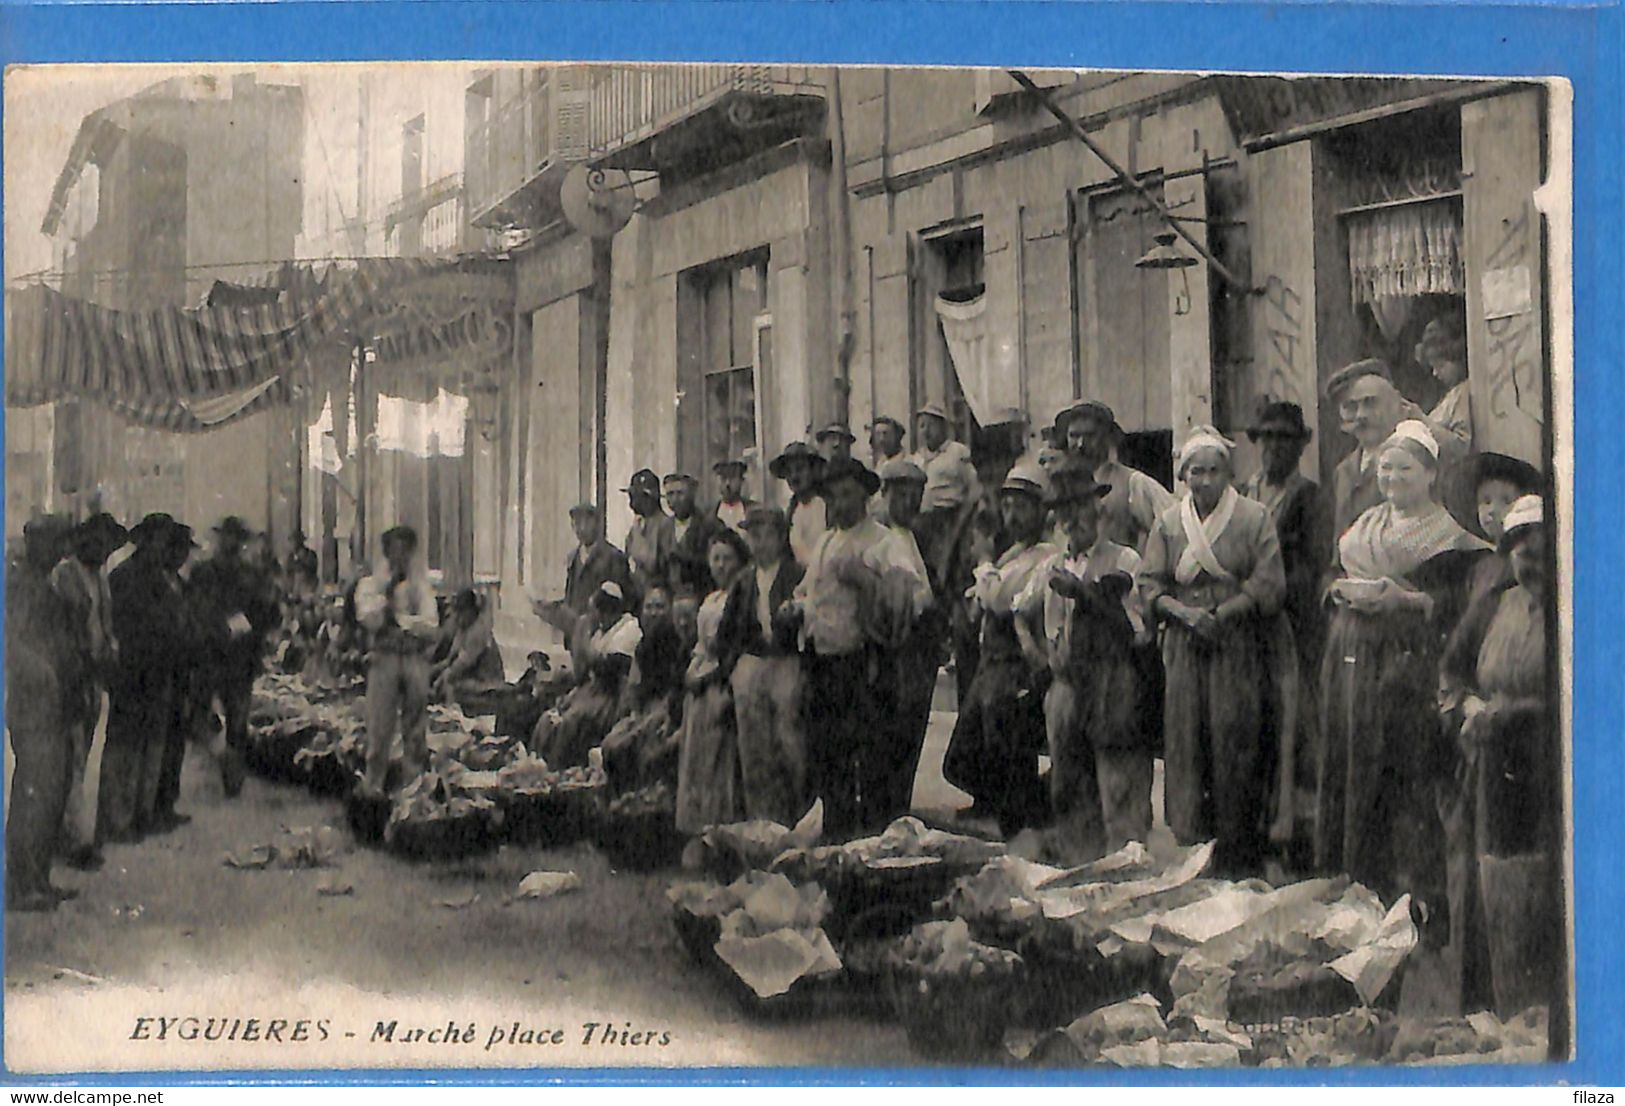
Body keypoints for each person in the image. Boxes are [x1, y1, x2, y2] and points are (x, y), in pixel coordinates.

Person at [1315, 420, 1490, 921]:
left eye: (1405, 468)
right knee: (1354, 759)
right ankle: (1361, 882)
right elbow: (1332, 572)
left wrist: (1406, 599)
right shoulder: (1364, 526)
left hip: (1409, 664)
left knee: (1402, 768)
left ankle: (1414, 894)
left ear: (1431, 475)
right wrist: (1337, 592)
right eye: (1386, 467)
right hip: (1352, 659)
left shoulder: (1452, 537)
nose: (1392, 477)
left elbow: (1459, 606)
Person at [1140, 428, 1286, 876]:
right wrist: (1182, 614)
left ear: (1229, 473)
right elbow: (1149, 583)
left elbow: (1267, 581)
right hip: (1185, 644)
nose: (1204, 480)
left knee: (1234, 736)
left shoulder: (1253, 517)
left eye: (1213, 471)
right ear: (1182, 475)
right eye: (1195, 471)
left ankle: (1239, 851)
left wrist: (1223, 613)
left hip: (1234, 641)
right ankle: (1192, 846)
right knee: (1185, 739)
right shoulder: (1168, 523)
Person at [1438, 494, 1556, 1016]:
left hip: (1549, 768)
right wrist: (1466, 705)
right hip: (1488, 766)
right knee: (1481, 883)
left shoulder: (1579, 609)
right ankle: (1488, 1007)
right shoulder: (1492, 605)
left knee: (1540, 884)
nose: (1532, 566)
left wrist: (1514, 712)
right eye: (1521, 554)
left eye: (1543, 554)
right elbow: (1451, 671)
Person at [788, 458, 932, 837]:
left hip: (863, 664)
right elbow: (809, 592)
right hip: (823, 660)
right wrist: (796, 607)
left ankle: (871, 841)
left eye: (848, 494)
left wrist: (868, 581)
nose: (840, 503)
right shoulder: (825, 541)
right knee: (827, 754)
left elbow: (916, 597)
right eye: (833, 496)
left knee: (868, 757)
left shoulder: (884, 540)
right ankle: (837, 836)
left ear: (866, 496)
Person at [1019, 470, 1148, 862]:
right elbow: (1018, 611)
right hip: (1064, 686)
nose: (1072, 520)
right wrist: (1035, 652)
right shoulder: (1050, 566)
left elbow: (1137, 630)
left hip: (1111, 682)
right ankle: (1081, 870)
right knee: (1069, 785)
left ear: (1098, 509)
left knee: (1118, 785)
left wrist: (1085, 596)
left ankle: (1128, 872)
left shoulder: (1124, 560)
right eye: (1063, 513)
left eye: (1079, 509)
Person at [943, 461, 1061, 837]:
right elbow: (978, 602)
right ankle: (1008, 807)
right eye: (1007, 506)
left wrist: (982, 563)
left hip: (1015, 664)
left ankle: (1024, 820)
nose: (1012, 515)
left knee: (1008, 747)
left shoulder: (1046, 556)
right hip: (990, 662)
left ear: (1041, 511)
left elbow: (997, 600)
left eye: (1022, 506)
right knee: (964, 755)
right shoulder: (1013, 554)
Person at [1242, 401, 1328, 856]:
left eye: (1284, 440)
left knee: (1290, 722)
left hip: (1288, 627)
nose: (1274, 448)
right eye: (1267, 438)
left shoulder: (1309, 498)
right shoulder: (1243, 492)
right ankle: (1248, 829)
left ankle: (1290, 833)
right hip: (1244, 627)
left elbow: (1314, 568)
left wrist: (1269, 585)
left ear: (1299, 447)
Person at [6, 515, 84, 910]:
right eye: (54, 542)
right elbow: (12, 645)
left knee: (51, 793)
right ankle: (21, 885)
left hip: (55, 705)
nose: (59, 550)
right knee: (35, 794)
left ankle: (37, 877)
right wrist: (46, 673)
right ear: (36, 545)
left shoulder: (45, 586)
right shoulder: (21, 588)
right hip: (34, 705)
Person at [717, 506, 807, 825]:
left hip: (786, 662)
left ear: (781, 537)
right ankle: (762, 819)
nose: (760, 543)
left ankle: (797, 815)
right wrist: (732, 668)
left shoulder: (797, 574)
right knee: (753, 744)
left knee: (788, 739)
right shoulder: (743, 580)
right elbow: (726, 631)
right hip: (752, 663)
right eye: (753, 536)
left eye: (767, 535)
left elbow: (809, 619)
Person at [99, 514, 186, 843]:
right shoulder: (123, 578)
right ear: (145, 541)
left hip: (159, 672)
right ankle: (117, 821)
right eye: (159, 541)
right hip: (133, 673)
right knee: (124, 748)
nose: (163, 548)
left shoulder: (160, 579)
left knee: (152, 749)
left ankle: (142, 814)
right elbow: (120, 627)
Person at [50, 511, 129, 868]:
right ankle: (73, 840)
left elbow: (105, 623)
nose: (101, 549)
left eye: (106, 544)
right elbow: (67, 632)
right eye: (96, 541)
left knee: (83, 757)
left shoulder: (100, 577)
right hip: (72, 676)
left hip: (95, 675)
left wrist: (110, 649)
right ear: (83, 540)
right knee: (72, 757)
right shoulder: (65, 575)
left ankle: (77, 833)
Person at [189, 516, 280, 798]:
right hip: (208, 654)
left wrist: (248, 626)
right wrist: (213, 628)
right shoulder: (202, 573)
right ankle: (221, 756)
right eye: (226, 537)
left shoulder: (252, 576)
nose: (230, 543)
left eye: (235, 538)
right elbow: (193, 609)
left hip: (240, 657)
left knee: (238, 721)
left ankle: (233, 776)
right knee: (198, 715)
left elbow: (270, 613)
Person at [873, 458, 940, 823]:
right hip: (893, 646)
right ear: (885, 494)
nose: (910, 502)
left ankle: (901, 805)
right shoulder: (879, 537)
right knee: (893, 728)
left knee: (913, 724)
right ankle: (887, 810)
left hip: (918, 645)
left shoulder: (912, 534)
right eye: (901, 494)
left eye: (916, 495)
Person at [674, 529, 752, 833]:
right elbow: (700, 645)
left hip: (721, 680)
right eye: (715, 558)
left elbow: (734, 645)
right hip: (700, 677)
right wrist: (692, 671)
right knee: (696, 755)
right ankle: (696, 828)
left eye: (727, 558)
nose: (720, 565)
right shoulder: (711, 598)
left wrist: (708, 676)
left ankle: (719, 829)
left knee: (718, 757)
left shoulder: (740, 596)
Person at [354, 526, 440, 797]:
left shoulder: (421, 588)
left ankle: (412, 787)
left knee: (415, 726)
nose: (401, 556)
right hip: (385, 658)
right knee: (380, 726)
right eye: (395, 550)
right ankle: (374, 787)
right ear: (387, 552)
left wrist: (405, 623)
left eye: (406, 550)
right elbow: (370, 619)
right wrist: (389, 599)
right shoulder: (370, 585)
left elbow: (431, 625)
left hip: (414, 658)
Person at [536, 581, 642, 770]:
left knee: (570, 722)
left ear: (605, 612)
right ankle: (537, 767)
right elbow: (584, 672)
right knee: (549, 718)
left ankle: (557, 770)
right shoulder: (602, 631)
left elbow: (607, 669)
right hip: (593, 691)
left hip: (612, 696)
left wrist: (583, 642)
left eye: (594, 611)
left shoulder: (629, 630)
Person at [1053, 399, 1175, 553]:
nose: (1081, 444)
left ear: (1107, 437)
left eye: (1090, 435)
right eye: (1074, 436)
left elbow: (1173, 524)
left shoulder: (1133, 482)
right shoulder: (1062, 486)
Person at [602, 586, 687, 792]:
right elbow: (634, 686)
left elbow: (675, 691)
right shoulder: (642, 647)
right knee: (611, 743)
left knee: (635, 746)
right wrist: (633, 714)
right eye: (649, 607)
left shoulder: (679, 645)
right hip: (645, 709)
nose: (654, 612)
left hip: (668, 710)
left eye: (660, 607)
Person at [1324, 359, 1405, 550]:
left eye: (1370, 403)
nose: (1360, 415)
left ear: (1396, 404)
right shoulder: (1343, 471)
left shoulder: (1413, 462)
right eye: (1351, 406)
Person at [1408, 312, 1474, 457]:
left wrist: (1421, 419)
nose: (1435, 373)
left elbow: (1461, 446)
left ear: (1458, 359)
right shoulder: (1451, 394)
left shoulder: (1463, 393)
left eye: (1441, 366)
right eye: (1433, 368)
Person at [430, 589, 505, 704]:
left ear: (469, 611)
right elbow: (450, 660)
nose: (457, 618)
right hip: (473, 677)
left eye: (460, 613)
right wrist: (429, 671)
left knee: (452, 685)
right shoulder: (463, 628)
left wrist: (440, 679)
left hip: (488, 682)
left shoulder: (478, 630)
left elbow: (462, 664)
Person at [770, 440, 828, 567]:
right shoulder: (791, 513)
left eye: (800, 469)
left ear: (813, 470)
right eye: (789, 472)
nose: (794, 477)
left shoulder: (828, 505)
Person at [623, 469, 676, 608]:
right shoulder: (637, 525)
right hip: (637, 597)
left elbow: (656, 564)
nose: (631, 502)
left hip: (658, 600)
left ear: (648, 498)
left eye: (635, 496)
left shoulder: (666, 525)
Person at [665, 472, 720, 600]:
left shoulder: (709, 525)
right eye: (670, 494)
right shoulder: (664, 527)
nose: (675, 499)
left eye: (680, 493)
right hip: (671, 599)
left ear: (692, 494)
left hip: (701, 594)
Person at [712, 459, 756, 536]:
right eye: (723, 478)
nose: (727, 484)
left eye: (732, 478)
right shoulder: (709, 516)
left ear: (741, 481)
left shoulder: (754, 510)